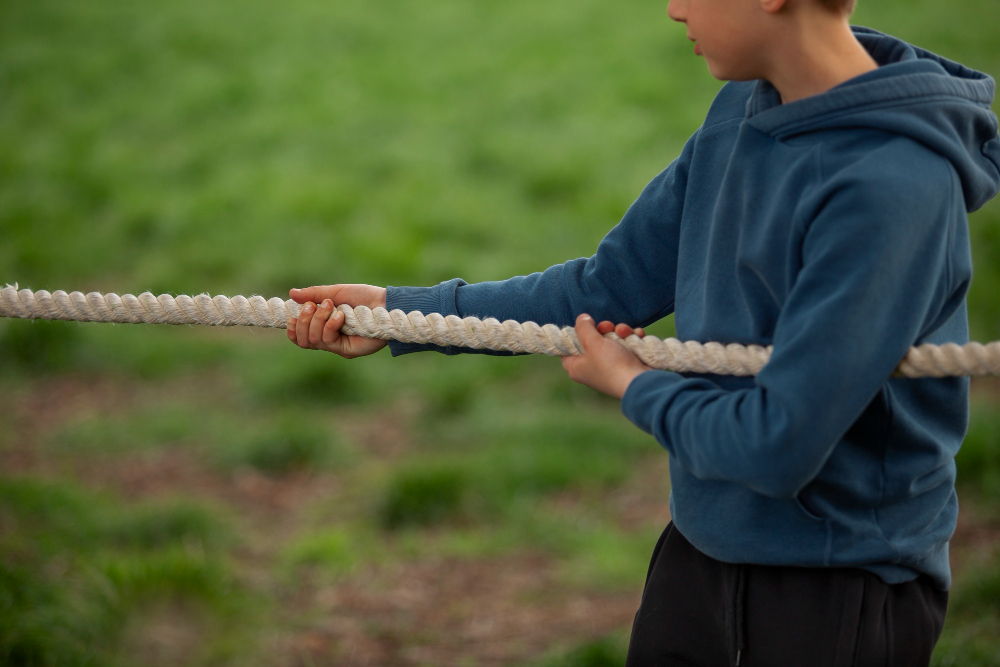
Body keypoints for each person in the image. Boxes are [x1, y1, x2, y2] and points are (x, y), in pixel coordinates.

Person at [286, 0, 1000, 663]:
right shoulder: (738, 114)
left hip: (837, 585)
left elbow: (779, 442)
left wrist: (634, 384)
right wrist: (400, 311)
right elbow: (599, 292)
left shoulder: (893, 184)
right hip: (700, 547)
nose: (674, 6)